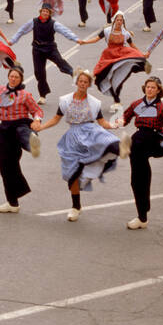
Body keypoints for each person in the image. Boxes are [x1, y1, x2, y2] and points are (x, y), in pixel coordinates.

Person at [35, 69, 123, 221]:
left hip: (91, 131)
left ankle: (133, 150)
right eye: (80, 81)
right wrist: (41, 128)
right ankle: (76, 206)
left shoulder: (94, 103)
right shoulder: (65, 100)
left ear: (89, 85)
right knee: (72, 174)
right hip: (73, 138)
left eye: (85, 82)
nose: (82, 84)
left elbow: (102, 123)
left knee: (112, 144)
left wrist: (114, 125)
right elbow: (56, 119)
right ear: (76, 83)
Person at [114, 75, 163, 230]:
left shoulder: (162, 108)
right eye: (148, 87)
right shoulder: (136, 104)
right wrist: (119, 122)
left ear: (159, 91)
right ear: (144, 88)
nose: (150, 89)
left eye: (153, 87)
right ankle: (142, 216)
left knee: (158, 142)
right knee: (139, 181)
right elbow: (125, 117)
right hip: (139, 141)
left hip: (153, 137)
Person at [80, 13, 150, 109]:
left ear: (123, 22)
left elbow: (132, 45)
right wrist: (84, 42)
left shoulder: (125, 33)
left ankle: (138, 67)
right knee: (105, 75)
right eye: (118, 20)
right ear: (114, 21)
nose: (119, 22)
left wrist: (142, 54)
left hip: (122, 53)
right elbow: (96, 39)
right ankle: (116, 100)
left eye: (121, 20)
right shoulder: (107, 31)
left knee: (122, 73)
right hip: (109, 56)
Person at [12, 4, 78, 99]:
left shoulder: (53, 24)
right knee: (39, 73)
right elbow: (22, 30)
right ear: (40, 11)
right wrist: (13, 40)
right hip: (37, 49)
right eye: (43, 11)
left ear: (50, 13)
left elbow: (65, 31)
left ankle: (73, 73)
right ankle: (43, 95)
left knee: (60, 61)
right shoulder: (33, 22)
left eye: (47, 12)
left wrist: (76, 39)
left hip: (50, 48)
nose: (45, 13)